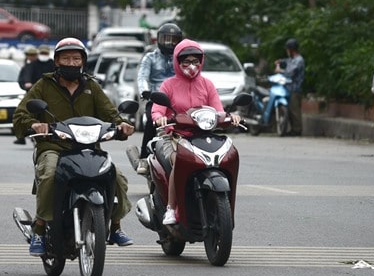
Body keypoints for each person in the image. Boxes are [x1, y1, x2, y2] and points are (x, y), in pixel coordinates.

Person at [12, 37, 135, 255]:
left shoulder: (92, 87)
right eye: (66, 58)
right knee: (49, 174)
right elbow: (21, 115)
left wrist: (122, 125)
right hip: (53, 147)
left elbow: (111, 114)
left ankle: (115, 226)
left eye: (76, 59)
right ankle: (40, 228)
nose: (71, 63)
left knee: (116, 177)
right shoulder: (43, 86)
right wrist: (34, 124)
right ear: (56, 61)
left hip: (89, 148)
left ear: (83, 62)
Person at [151, 39, 241, 225]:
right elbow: (158, 108)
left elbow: (218, 110)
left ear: (202, 61)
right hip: (175, 136)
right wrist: (159, 117)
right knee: (179, 160)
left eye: (195, 61)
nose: (191, 65)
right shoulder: (168, 85)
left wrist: (231, 117)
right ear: (177, 61)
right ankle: (171, 208)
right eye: (186, 61)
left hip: (203, 136)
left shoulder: (207, 84)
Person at [134, 22, 181, 175]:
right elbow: (142, 76)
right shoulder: (150, 57)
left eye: (173, 40)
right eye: (166, 39)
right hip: (156, 100)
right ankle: (144, 157)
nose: (169, 43)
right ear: (159, 39)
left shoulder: (181, 58)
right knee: (150, 123)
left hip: (178, 101)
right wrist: (145, 91)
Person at [275, 38, 305, 136]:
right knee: (291, 110)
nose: (287, 52)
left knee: (294, 110)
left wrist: (280, 71)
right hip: (289, 88)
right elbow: (286, 61)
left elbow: (291, 72)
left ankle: (297, 130)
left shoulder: (299, 60)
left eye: (288, 50)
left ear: (291, 50)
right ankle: (292, 129)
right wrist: (279, 62)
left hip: (295, 89)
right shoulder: (292, 59)